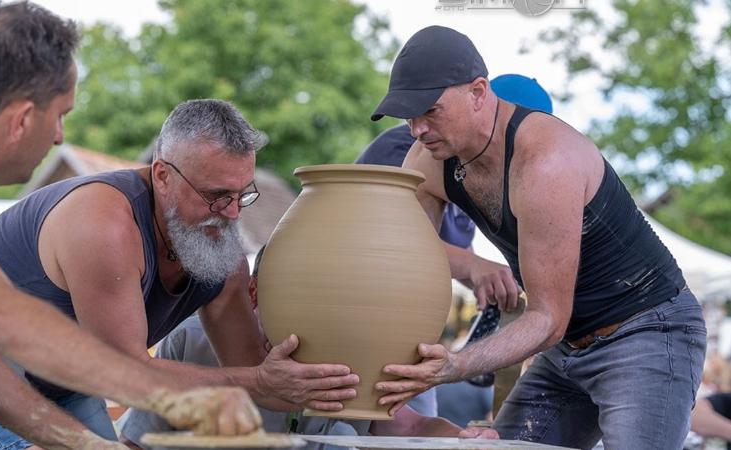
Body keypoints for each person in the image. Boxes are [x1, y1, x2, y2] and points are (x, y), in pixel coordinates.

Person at [0, 2, 262, 449]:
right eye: (60, 115)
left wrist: (84, 442)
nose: (59, 136)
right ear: (20, 120)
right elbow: (3, 321)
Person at [370, 26, 706, 450]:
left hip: (647, 330)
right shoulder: (428, 158)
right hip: (566, 346)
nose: (417, 128)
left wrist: (453, 364)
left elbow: (547, 317)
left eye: (430, 111)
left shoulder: (547, 161)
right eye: (408, 115)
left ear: (478, 92)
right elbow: (403, 258)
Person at [0, 99, 361, 449]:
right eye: (217, 196)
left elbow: (260, 375)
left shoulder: (223, 254)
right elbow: (125, 374)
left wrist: (356, 377)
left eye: (243, 195)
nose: (233, 213)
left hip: (67, 381)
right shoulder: (103, 224)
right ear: (163, 175)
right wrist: (260, 381)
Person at [118, 247, 498, 448]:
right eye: (297, 295)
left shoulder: (348, 355)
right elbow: (134, 441)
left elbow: (410, 426)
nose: (316, 312)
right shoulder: (193, 340)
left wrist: (464, 440)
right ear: (254, 293)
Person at [357, 74, 554, 422]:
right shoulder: (411, 149)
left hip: (407, 335)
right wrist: (475, 268)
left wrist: (496, 284)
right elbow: (387, 240)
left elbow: (451, 251)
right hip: (352, 321)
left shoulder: (477, 169)